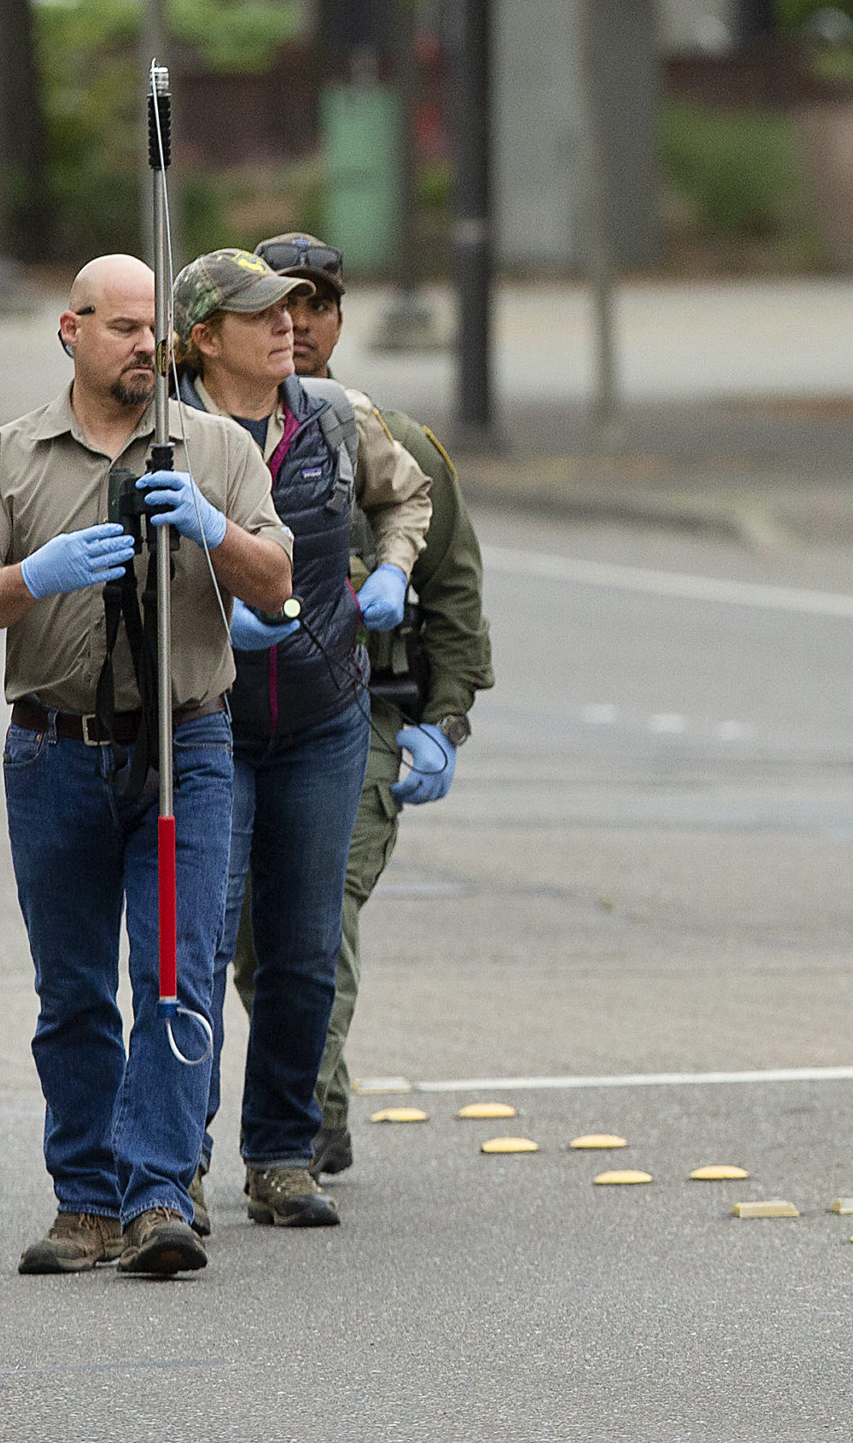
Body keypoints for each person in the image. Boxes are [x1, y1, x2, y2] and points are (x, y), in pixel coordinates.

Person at [0, 254, 294, 1276]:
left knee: (174, 975)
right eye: (124, 327)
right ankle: (84, 1199)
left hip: (186, 750)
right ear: (70, 330)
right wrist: (29, 576)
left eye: (155, 331)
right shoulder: (3, 455)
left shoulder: (213, 448)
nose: (146, 345)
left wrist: (213, 528)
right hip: (54, 753)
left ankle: (156, 1191)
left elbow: (277, 582)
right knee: (75, 990)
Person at [168, 248, 432, 1231]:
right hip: (206, 721)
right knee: (196, 942)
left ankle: (280, 1153)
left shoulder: (332, 414)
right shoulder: (165, 438)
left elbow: (408, 496)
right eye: (263, 315)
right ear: (205, 339)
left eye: (295, 312)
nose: (290, 326)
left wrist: (396, 569)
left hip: (324, 715)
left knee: (304, 948)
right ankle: (174, 1161)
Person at [233, 232, 495, 1176]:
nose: (295, 324)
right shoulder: (216, 433)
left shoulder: (389, 438)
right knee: (256, 944)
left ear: (341, 320)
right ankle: (301, 1104)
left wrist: (445, 718)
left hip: (366, 715)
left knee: (322, 909)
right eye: (275, 308)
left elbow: (457, 589)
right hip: (243, 709)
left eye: (316, 306)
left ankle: (305, 1120)